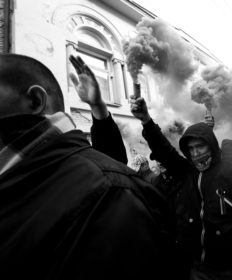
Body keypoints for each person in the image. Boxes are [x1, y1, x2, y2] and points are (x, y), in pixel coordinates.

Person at [0, 53, 175, 279]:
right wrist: (97, 106)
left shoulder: (114, 193)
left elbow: (106, 168)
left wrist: (144, 121)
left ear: (35, 100)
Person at [130, 95, 232, 280]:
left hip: (228, 268)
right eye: (190, 149)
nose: (195, 153)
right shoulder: (188, 171)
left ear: (211, 145)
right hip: (196, 266)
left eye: (199, 147)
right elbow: (164, 150)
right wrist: (146, 120)